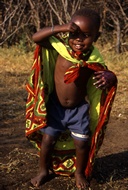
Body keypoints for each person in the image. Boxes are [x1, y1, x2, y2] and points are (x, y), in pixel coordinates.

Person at [28, 8, 117, 189]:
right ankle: (43, 170)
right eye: (74, 34)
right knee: (48, 140)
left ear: (96, 37)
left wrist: (111, 77)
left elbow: (106, 74)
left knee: (82, 143)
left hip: (79, 109)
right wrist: (60, 28)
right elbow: (37, 37)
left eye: (86, 35)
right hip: (56, 107)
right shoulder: (60, 48)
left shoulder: (93, 58)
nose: (78, 39)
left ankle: (79, 172)